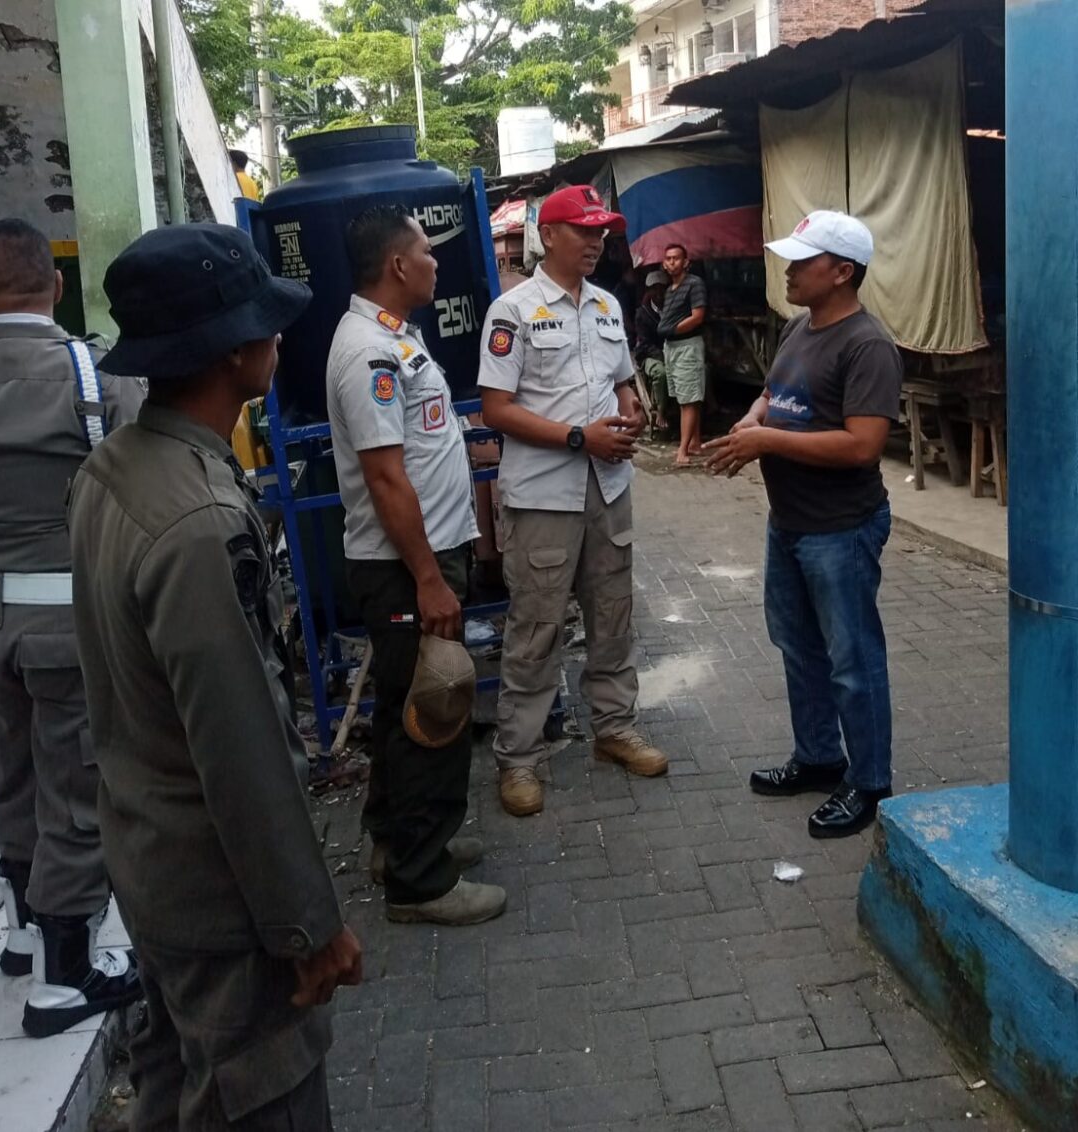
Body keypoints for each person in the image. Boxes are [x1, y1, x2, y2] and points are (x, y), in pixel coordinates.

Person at [68, 223, 361, 1127]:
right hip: (221, 897)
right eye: (266, 324)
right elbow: (243, 749)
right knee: (260, 1091)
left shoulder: (114, 466)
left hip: (151, 862)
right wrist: (306, 925)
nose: (277, 338)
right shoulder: (197, 521)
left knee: (175, 1084)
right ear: (236, 348)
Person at [325, 203, 506, 926]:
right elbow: (385, 477)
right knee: (434, 710)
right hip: (406, 567)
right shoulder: (369, 352)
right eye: (427, 251)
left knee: (405, 708)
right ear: (398, 265)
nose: (437, 261)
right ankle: (420, 881)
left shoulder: (396, 337)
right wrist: (429, 578)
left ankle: (395, 841)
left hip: (424, 557)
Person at [0, 219, 144, 1038]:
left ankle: (21, 934)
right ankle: (67, 974)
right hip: (60, 621)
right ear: (53, 286)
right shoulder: (94, 374)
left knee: (9, 774)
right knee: (76, 790)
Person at [703, 210, 902, 839]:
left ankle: (870, 782)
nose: (788, 271)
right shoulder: (797, 328)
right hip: (789, 522)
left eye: (802, 261)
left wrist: (767, 442)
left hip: (841, 528)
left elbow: (862, 445)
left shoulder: (867, 346)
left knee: (853, 660)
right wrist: (752, 420)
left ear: (841, 272)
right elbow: (773, 394)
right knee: (797, 645)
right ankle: (818, 758)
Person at [478, 184, 669, 817]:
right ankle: (519, 757)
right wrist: (579, 437)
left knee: (612, 613)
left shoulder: (608, 305)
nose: (596, 241)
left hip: (608, 487)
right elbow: (496, 409)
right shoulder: (512, 311)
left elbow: (621, 381)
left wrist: (630, 409)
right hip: (544, 495)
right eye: (584, 230)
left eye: (601, 231)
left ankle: (615, 728)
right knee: (537, 625)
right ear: (549, 235)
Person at [658, 244, 707, 466]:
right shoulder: (670, 289)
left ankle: (683, 450)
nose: (672, 262)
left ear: (686, 262)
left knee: (689, 399)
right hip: (672, 347)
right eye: (668, 259)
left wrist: (673, 329)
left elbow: (697, 316)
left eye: (676, 258)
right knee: (684, 397)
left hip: (687, 346)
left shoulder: (694, 284)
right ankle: (694, 442)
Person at [635, 268, 671, 435]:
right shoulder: (642, 314)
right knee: (661, 373)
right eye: (654, 289)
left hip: (671, 351)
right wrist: (663, 356)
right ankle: (661, 411)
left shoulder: (672, 310)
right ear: (649, 291)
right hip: (649, 354)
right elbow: (645, 344)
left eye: (661, 289)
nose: (659, 293)